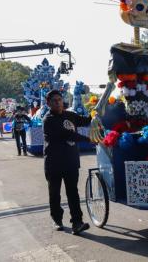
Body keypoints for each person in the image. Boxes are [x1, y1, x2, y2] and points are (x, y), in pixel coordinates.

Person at [43, 90, 92, 235]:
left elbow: (86, 120)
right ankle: (57, 220)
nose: (58, 102)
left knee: (73, 193)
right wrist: (88, 139)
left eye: (59, 99)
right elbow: (67, 134)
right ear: (49, 103)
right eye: (54, 101)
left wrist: (97, 110)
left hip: (71, 161)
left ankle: (77, 222)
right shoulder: (48, 119)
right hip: (54, 163)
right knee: (55, 194)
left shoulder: (70, 115)